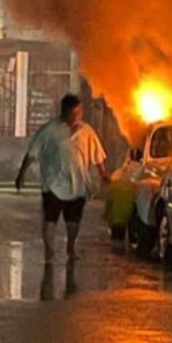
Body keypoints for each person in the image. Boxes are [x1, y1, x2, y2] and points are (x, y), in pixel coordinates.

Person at [16, 94, 110, 264]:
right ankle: (49, 250)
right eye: (75, 113)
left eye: (80, 112)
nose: (79, 116)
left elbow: (97, 155)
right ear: (65, 112)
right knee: (50, 220)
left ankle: (71, 246)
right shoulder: (49, 130)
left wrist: (104, 175)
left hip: (78, 184)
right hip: (54, 184)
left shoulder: (86, 131)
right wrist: (21, 175)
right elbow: (32, 153)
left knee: (73, 222)